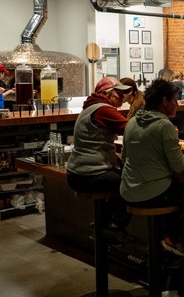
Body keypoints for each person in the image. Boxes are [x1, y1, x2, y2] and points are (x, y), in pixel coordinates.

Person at [119, 79, 184, 259]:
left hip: (128, 192)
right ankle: (173, 239)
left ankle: (161, 240)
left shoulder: (132, 122)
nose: (177, 103)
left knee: (176, 189)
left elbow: (125, 158)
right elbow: (179, 165)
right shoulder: (164, 125)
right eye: (175, 99)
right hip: (153, 194)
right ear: (164, 101)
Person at [66, 76, 133, 245]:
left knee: (119, 177)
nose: (122, 97)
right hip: (89, 175)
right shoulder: (104, 110)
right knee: (132, 184)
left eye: (123, 93)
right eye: (118, 93)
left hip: (77, 172)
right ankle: (114, 226)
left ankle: (102, 224)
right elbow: (134, 130)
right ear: (107, 93)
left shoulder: (91, 107)